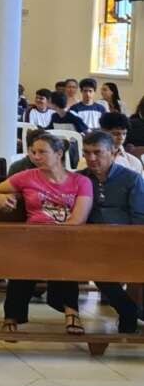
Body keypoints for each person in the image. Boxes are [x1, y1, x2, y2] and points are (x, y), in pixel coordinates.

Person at [0, 133, 92, 335]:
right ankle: (12, 317)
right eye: (33, 152)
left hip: (66, 237)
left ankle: (71, 311)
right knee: (23, 263)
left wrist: (55, 238)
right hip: (33, 237)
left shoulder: (81, 181)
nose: (36, 156)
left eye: (42, 152)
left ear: (59, 153)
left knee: (65, 257)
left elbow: (78, 219)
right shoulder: (27, 176)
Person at [80, 130, 144, 333]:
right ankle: (128, 310)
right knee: (90, 265)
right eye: (86, 152)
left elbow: (139, 217)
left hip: (126, 241)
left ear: (113, 152)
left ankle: (130, 312)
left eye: (97, 152)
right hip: (90, 243)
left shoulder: (131, 179)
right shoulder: (80, 179)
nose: (91, 158)